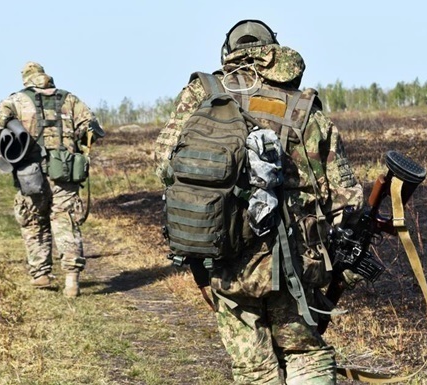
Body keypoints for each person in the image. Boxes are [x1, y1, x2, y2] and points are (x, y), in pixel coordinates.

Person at [155, 20, 364, 384]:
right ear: (274, 50)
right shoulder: (303, 106)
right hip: (294, 260)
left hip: (223, 251)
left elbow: (164, 165)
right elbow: (346, 197)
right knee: (306, 355)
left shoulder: (202, 94)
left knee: (253, 368)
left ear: (228, 52)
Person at [0, 61, 103, 298]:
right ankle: (71, 280)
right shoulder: (69, 99)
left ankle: (41, 274)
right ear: (46, 77)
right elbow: (91, 127)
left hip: (30, 170)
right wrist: (78, 147)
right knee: (66, 221)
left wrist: (2, 151)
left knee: (33, 220)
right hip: (65, 172)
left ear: (26, 79)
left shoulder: (16, 100)